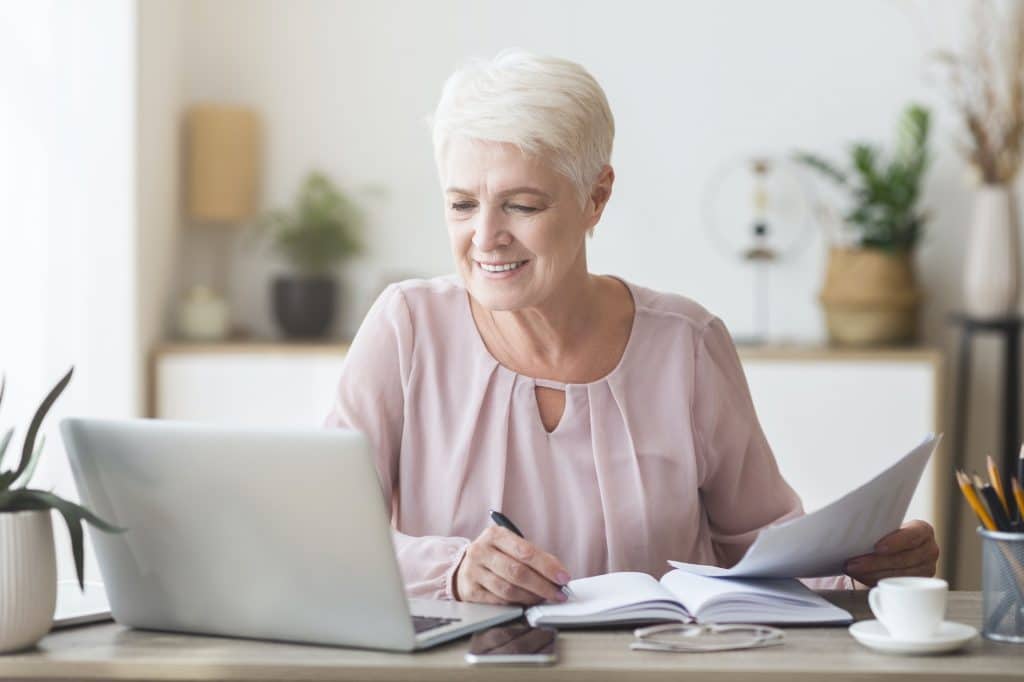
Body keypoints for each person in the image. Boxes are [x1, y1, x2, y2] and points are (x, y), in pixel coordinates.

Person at [325, 49, 940, 606]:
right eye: (462, 204)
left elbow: (764, 549)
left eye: (522, 204)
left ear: (597, 197)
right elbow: (323, 538)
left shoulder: (687, 344)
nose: (486, 237)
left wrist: (863, 565)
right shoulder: (406, 327)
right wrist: (454, 570)